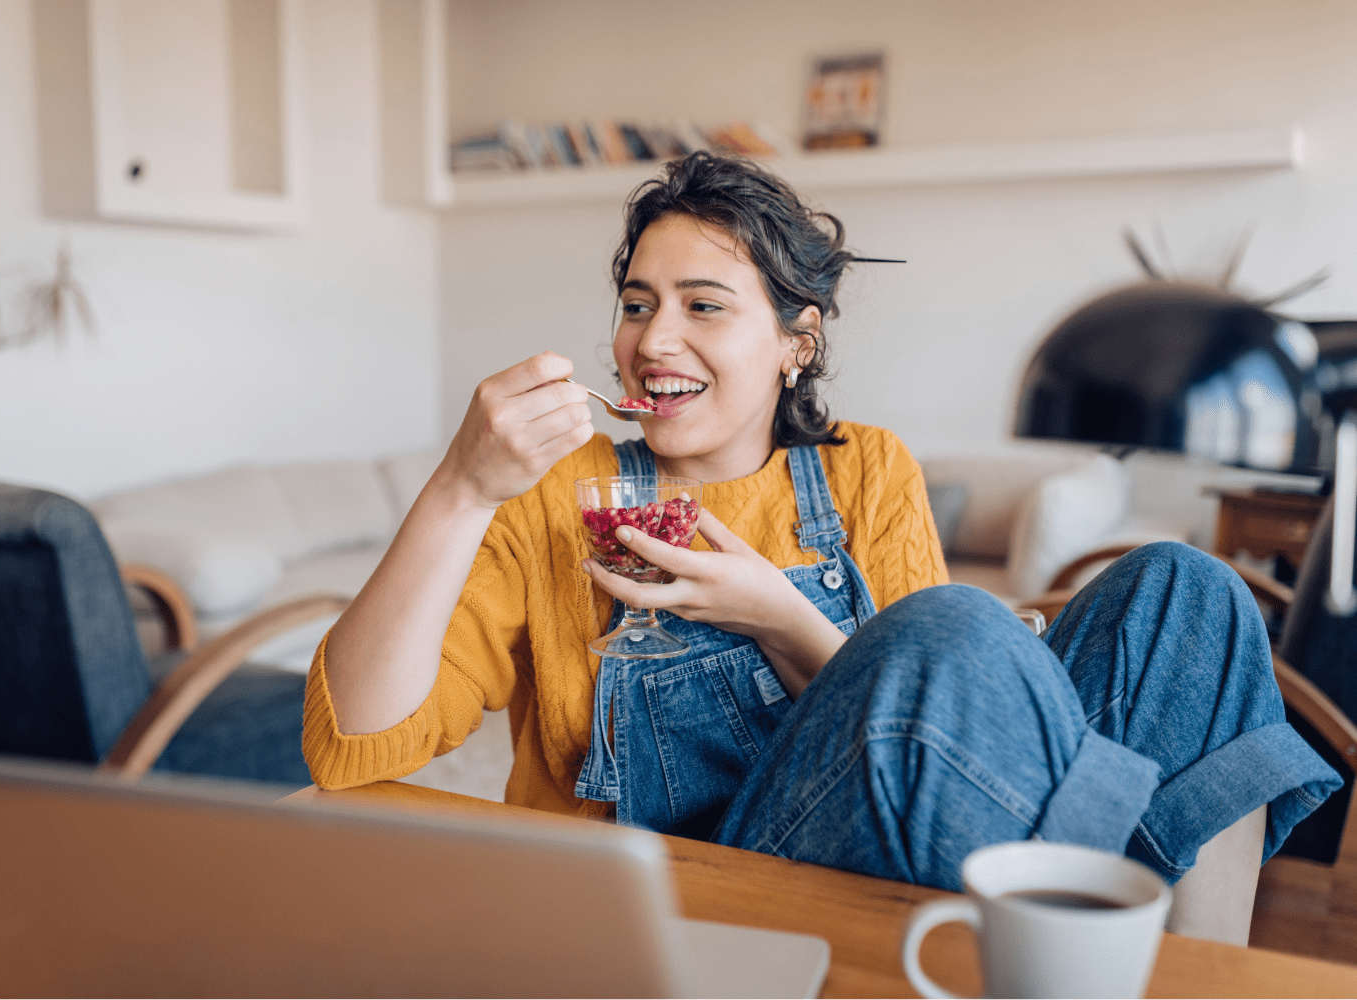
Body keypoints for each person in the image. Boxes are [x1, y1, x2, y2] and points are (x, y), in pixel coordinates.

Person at [304, 151, 1339, 945]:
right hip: (685, 896)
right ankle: (1091, 922)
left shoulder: (863, 471)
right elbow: (352, 745)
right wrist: (461, 487)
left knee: (1187, 595)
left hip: (879, 852)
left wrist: (775, 612)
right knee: (954, 629)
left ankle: (1195, 977)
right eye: (636, 305)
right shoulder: (557, 499)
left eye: (703, 305)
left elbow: (936, 730)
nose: (653, 339)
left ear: (795, 343)